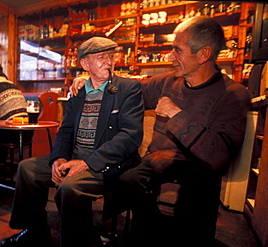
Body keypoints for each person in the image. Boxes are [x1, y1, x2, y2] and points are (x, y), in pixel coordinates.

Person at [71, 16, 251, 247]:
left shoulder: (233, 95)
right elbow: (125, 91)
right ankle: (153, 232)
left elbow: (218, 156)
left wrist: (176, 114)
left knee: (199, 194)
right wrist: (95, 79)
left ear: (204, 54)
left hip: (200, 166)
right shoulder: (167, 82)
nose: (170, 56)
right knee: (129, 177)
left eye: (178, 50)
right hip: (157, 159)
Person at [1, 37, 144, 247]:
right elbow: (66, 130)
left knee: (70, 187)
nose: (109, 61)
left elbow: (130, 136)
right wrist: (58, 157)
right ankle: (35, 231)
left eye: (111, 56)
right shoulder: (78, 93)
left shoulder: (127, 88)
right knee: (27, 168)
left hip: (107, 163)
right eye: (101, 57)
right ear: (85, 64)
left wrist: (86, 163)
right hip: (76, 157)